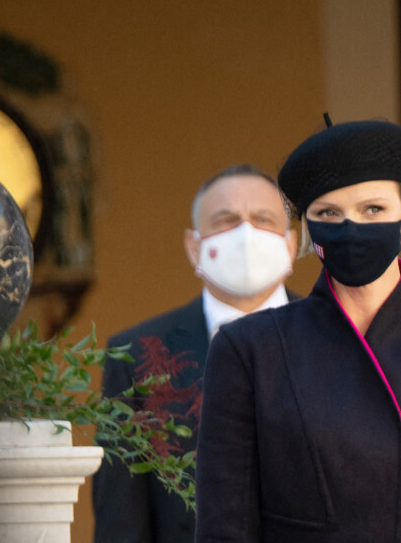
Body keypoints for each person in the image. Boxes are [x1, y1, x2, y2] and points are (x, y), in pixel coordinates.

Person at [195, 119, 401, 542]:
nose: (351, 228)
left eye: (373, 209)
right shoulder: (249, 352)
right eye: (328, 214)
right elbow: (224, 528)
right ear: (308, 229)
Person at [93, 164, 299, 543]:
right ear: (194, 246)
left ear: (291, 243)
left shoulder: (341, 338)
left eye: (262, 219)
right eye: (226, 220)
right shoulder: (136, 356)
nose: (245, 233)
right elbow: (121, 517)